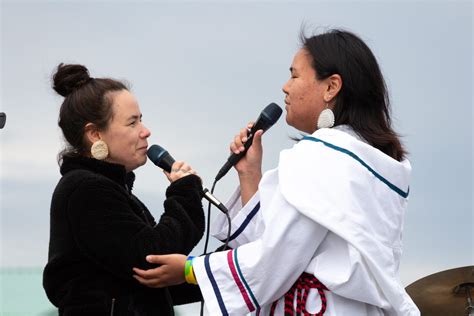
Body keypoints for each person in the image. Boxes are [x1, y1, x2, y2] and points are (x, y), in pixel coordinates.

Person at [133, 29, 420, 315]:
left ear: (331, 87)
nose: (285, 87)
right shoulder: (370, 159)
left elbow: (275, 257)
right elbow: (283, 241)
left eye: (295, 75)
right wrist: (249, 173)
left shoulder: (322, 155)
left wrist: (190, 269)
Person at [43, 63, 205, 315]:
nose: (145, 131)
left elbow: (153, 283)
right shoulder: (86, 190)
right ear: (95, 134)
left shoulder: (108, 189)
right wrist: (185, 194)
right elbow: (151, 258)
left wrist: (224, 268)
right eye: (132, 123)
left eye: (141, 120)